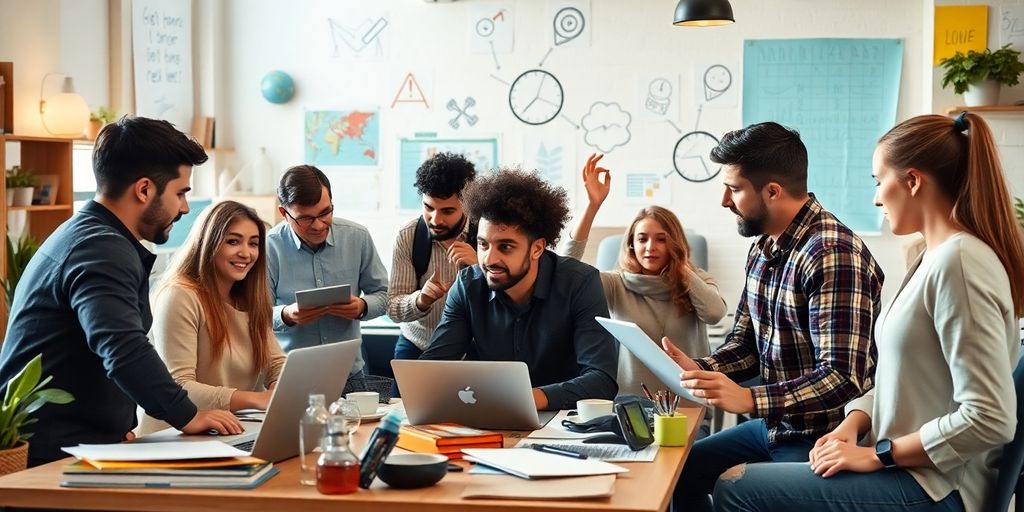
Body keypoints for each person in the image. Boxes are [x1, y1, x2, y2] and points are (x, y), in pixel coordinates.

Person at [712, 113, 1024, 511]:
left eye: (880, 182)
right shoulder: (933, 257)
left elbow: (990, 418)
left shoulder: (960, 264)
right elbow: (900, 378)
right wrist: (854, 423)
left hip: (939, 486)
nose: (876, 198)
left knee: (738, 490)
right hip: (906, 465)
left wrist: (879, 454)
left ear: (912, 181)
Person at [663, 122, 885, 511]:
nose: (724, 201)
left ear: (772, 191)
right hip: (776, 428)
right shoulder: (764, 247)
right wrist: (700, 369)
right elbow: (745, 346)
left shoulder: (831, 253)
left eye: (733, 189)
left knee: (741, 491)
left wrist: (749, 398)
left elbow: (842, 377)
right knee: (679, 472)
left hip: (822, 438)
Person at [0, 117, 241, 467]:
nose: (185, 208)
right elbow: (123, 347)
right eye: (180, 193)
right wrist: (187, 415)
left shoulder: (91, 236)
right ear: (144, 190)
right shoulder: (101, 248)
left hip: (83, 444)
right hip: (51, 458)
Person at [420, 167, 618, 410]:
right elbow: (432, 368)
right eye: (483, 245)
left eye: (505, 247)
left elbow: (602, 381)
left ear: (537, 249)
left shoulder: (580, 283)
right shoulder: (467, 286)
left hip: (562, 422)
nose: (489, 259)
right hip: (490, 416)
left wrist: (526, 398)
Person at [564, 153, 727, 398]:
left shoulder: (696, 279)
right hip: (631, 406)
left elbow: (715, 314)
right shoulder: (615, 284)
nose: (650, 247)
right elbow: (566, 271)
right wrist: (592, 206)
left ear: (675, 244)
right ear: (631, 244)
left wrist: (679, 266)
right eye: (642, 239)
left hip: (688, 404)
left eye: (662, 239)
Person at [139, 201, 287, 435]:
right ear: (208, 243)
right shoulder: (179, 295)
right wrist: (258, 400)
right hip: (173, 437)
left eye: (254, 243)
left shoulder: (249, 299)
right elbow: (180, 387)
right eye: (233, 241)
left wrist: (279, 391)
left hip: (230, 430)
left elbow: (277, 363)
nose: (246, 253)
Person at [266, 165, 388, 389]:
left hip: (351, 374)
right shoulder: (268, 246)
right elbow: (255, 314)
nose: (318, 225)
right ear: (284, 213)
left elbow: (384, 295)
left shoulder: (357, 237)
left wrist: (362, 306)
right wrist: (286, 314)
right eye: (305, 218)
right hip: (291, 374)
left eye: (325, 213)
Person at [387, 152, 477, 361]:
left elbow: (511, 303)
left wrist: (481, 267)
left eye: (447, 211)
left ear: (467, 205)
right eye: (428, 207)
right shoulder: (408, 236)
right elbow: (392, 308)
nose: (435, 219)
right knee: (401, 396)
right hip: (417, 346)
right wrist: (421, 300)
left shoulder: (485, 237)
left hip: (473, 350)